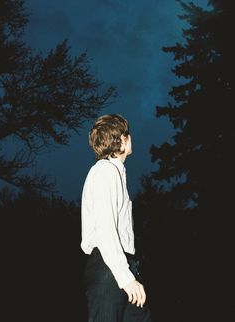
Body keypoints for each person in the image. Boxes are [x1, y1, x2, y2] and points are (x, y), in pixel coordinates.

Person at [81, 114, 152, 322]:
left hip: (122, 265)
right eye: (128, 134)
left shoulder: (115, 173)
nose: (131, 138)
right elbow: (105, 231)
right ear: (121, 139)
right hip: (108, 268)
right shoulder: (104, 172)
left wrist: (129, 273)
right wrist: (125, 278)